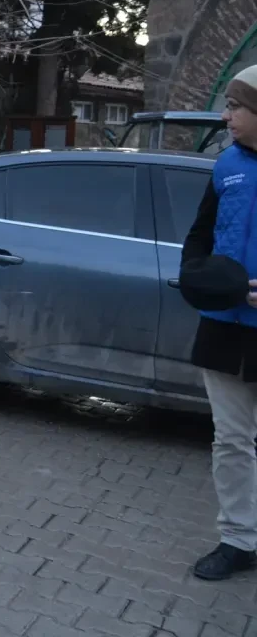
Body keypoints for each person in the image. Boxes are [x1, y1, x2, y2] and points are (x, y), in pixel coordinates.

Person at [179, 63, 257, 582]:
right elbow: (198, 244)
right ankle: (239, 539)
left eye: (236, 107)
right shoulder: (224, 166)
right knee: (231, 440)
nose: (225, 115)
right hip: (224, 331)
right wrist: (205, 283)